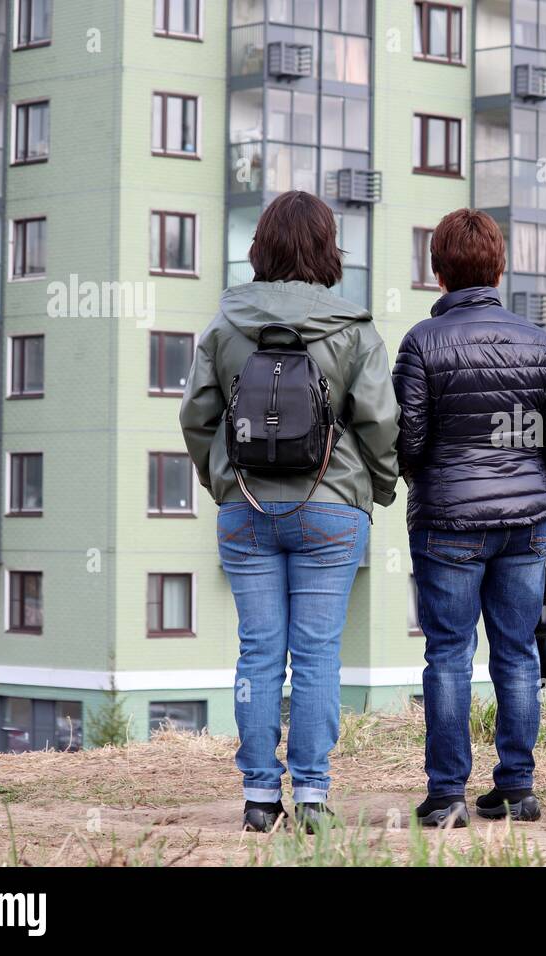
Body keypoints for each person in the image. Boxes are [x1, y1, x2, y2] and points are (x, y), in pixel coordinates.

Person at [179, 191, 399, 833]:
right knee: (318, 652)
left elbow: (196, 416)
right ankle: (310, 794)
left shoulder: (224, 326)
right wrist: (376, 489)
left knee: (257, 653)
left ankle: (256, 796)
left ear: (261, 249)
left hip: (245, 509)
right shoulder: (353, 328)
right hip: (331, 509)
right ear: (329, 250)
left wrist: (221, 481)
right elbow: (381, 423)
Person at [393, 209, 546, 827]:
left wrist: (429, 479)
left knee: (448, 654)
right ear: (499, 268)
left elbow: (410, 439)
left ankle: (447, 795)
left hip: (448, 522)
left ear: (438, 272)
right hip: (529, 521)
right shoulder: (538, 342)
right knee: (518, 653)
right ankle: (517, 789)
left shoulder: (422, 341)